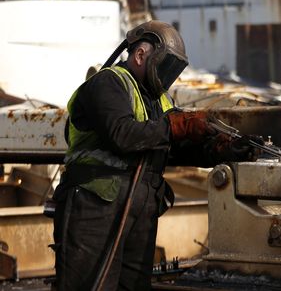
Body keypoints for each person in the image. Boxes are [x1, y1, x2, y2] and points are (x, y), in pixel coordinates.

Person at [52, 21, 255, 291]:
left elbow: (174, 144)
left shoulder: (160, 100)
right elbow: (122, 134)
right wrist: (177, 125)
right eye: (164, 66)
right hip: (96, 206)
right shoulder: (108, 83)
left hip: (140, 208)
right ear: (140, 55)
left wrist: (220, 150)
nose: (167, 76)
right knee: (90, 284)